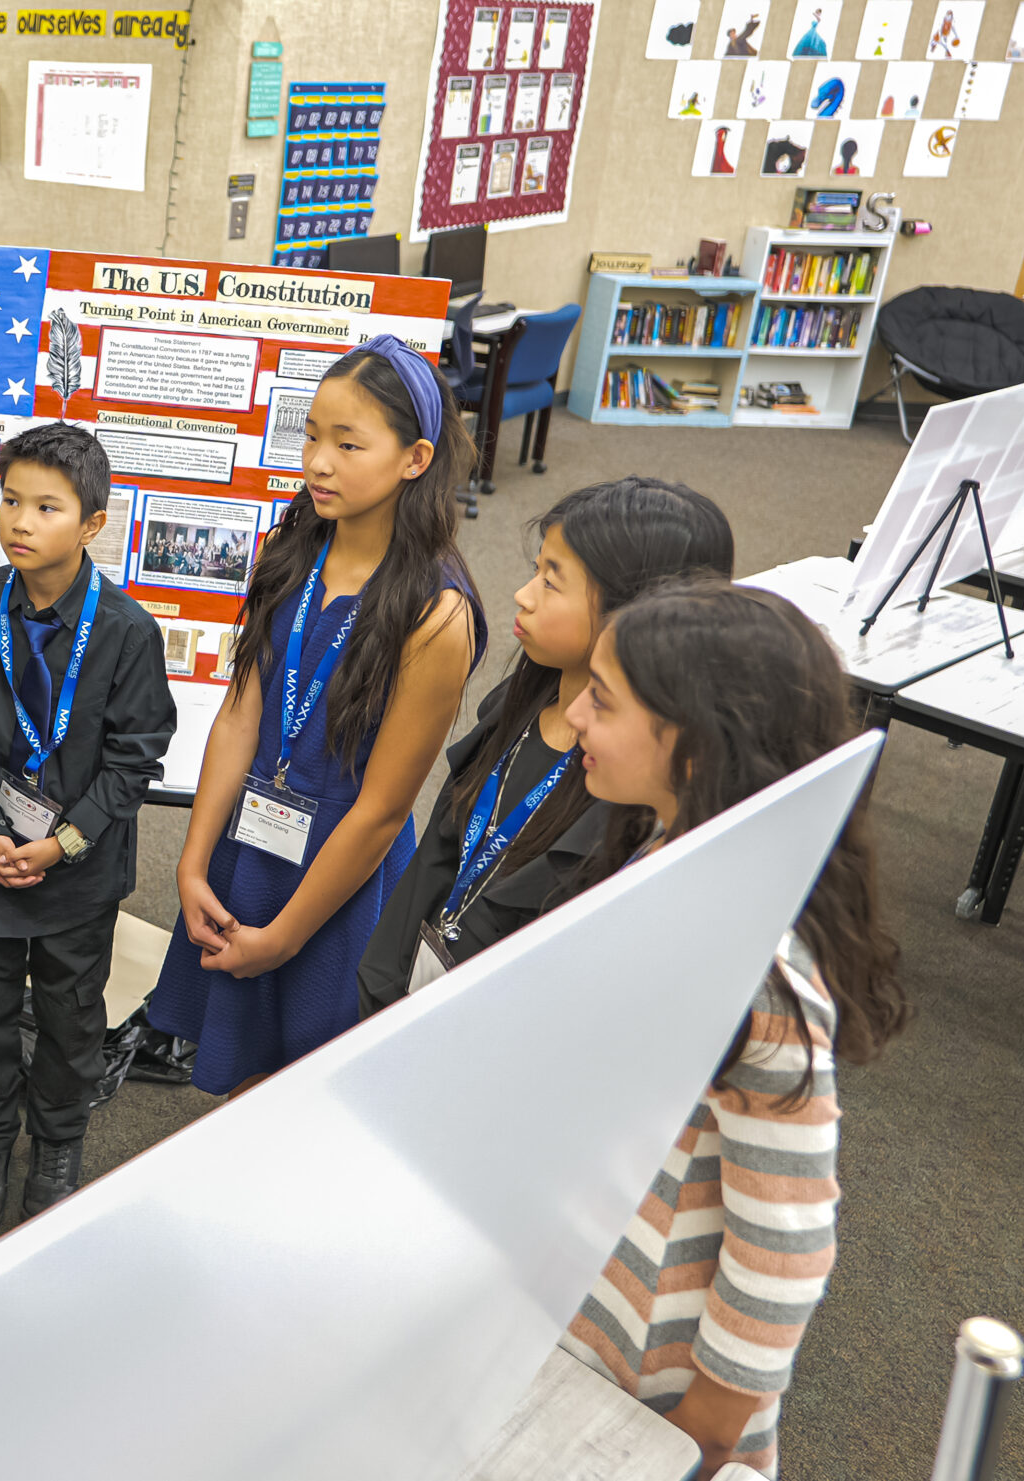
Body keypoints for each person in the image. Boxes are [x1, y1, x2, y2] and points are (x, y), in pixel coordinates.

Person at [552, 580, 908, 1476]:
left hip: (653, 1406)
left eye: (602, 697)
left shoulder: (765, 980)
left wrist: (703, 1430)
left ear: (699, 748)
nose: (573, 715)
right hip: (583, 1341)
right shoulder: (665, 851)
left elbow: (785, 1242)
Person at [146, 337, 483, 1097]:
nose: (318, 462)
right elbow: (240, 716)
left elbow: (384, 807)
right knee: (239, 1073)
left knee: (309, 1090)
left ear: (415, 458)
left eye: (348, 443)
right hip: (251, 844)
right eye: (311, 435)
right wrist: (192, 860)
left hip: (340, 875)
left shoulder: (436, 614)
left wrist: (285, 937)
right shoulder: (292, 549)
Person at [357, 479, 734, 1013]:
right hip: (411, 1002)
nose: (523, 594)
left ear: (641, 615)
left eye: (551, 582)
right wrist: (379, 992)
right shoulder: (518, 701)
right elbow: (437, 861)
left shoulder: (627, 787)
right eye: (537, 569)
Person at [0, 424, 173, 1234]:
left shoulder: (128, 631)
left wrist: (61, 842)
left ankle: (58, 1139)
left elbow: (135, 758)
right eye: (10, 501)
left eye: (47, 506)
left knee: (73, 1013)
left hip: (77, 868)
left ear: (93, 523)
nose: (20, 520)